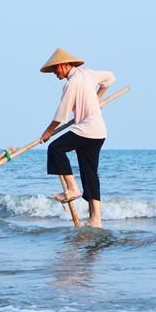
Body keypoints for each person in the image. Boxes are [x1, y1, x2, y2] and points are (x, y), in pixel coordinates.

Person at [39, 47, 116, 228]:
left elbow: (62, 114)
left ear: (64, 65)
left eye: (55, 69)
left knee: (55, 148)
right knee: (90, 173)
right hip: (99, 132)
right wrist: (97, 99)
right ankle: (96, 219)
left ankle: (72, 189)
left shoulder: (71, 83)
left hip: (87, 129)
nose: (55, 74)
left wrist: (48, 132)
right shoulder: (88, 74)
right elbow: (110, 78)